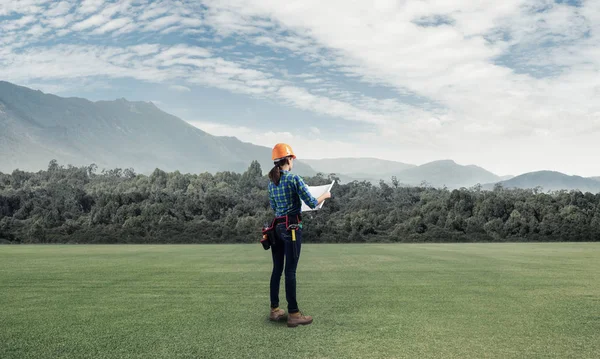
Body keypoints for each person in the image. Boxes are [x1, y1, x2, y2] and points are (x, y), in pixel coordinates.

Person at [267, 143, 331, 328]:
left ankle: (275, 310)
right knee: (291, 271)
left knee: (277, 269)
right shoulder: (294, 179)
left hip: (276, 228)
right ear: (288, 159)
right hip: (292, 228)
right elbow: (311, 202)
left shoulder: (272, 182)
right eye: (292, 159)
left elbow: (275, 208)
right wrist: (325, 195)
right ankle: (293, 313)